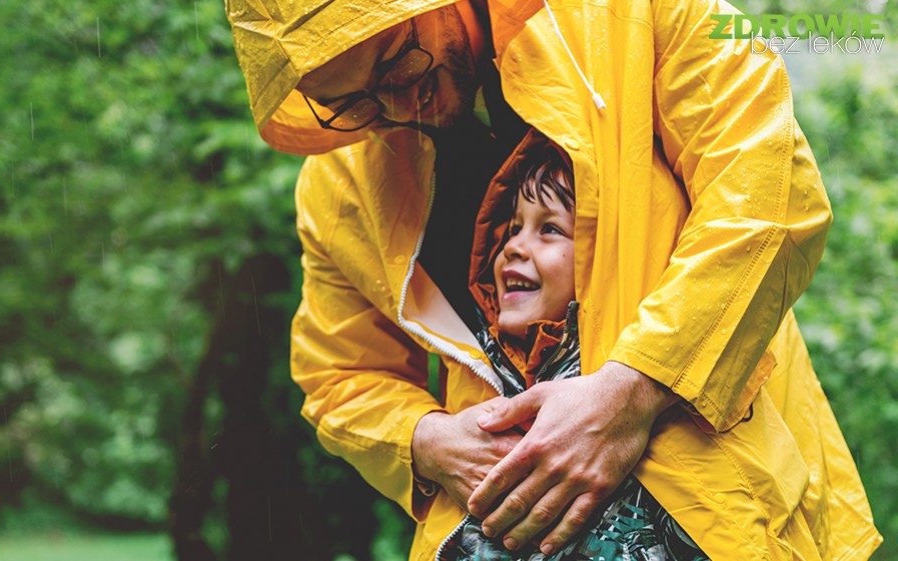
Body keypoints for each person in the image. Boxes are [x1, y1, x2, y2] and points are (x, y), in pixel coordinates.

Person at [226, 0, 882, 559]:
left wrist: (636, 388)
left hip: (720, 516)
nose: (398, 103)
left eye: (397, 60)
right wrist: (425, 439)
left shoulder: (631, 14)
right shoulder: (340, 187)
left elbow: (767, 194)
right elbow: (338, 374)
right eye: (350, 102)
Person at [452, 133, 709, 561]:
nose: (512, 245)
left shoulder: (645, 384)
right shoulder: (486, 371)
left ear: (601, 261)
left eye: (549, 229)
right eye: (513, 227)